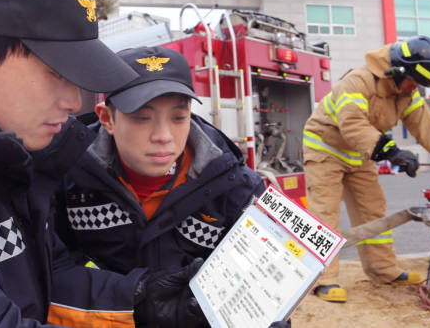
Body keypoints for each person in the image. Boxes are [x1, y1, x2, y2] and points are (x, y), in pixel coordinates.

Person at [0, 0, 207, 327]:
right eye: (56, 72)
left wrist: (146, 299)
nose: (73, 102)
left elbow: (48, 279)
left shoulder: (2, 150)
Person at [54, 45, 289, 327]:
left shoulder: (237, 188)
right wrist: (136, 296)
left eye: (179, 117)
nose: (164, 136)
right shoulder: (64, 178)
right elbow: (46, 272)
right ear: (107, 118)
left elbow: (270, 291)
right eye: (142, 117)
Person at [302, 35, 430, 303]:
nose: (414, 89)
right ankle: (323, 278)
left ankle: (383, 270)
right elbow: (353, 124)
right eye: (413, 82)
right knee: (324, 213)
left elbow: (424, 123)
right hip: (325, 149)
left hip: (360, 154)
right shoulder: (357, 82)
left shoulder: (405, 92)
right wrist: (392, 153)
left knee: (373, 210)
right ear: (397, 72)